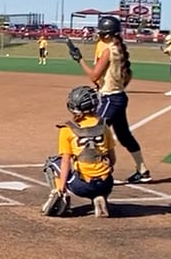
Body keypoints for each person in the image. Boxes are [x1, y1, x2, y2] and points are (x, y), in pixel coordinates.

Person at [77, 14, 150, 183]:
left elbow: (94, 76)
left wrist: (79, 60)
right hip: (119, 96)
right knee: (124, 136)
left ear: (108, 34)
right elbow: (123, 76)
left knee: (94, 133)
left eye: (101, 32)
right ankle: (142, 170)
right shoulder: (118, 49)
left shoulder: (108, 50)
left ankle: (100, 172)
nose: (99, 34)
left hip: (110, 99)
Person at [40, 85, 116, 218]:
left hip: (81, 186)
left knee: (52, 163)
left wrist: (61, 187)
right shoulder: (104, 126)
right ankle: (100, 196)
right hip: (106, 184)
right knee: (101, 170)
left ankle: (61, 197)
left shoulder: (67, 129)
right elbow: (112, 159)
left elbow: (65, 162)